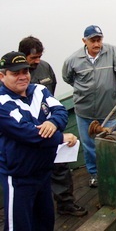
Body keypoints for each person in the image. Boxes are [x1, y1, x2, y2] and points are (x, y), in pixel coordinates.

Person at [0, 51, 78, 230]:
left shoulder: (39, 90)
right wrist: (60, 137)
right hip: (19, 178)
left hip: (43, 174)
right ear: (2, 76)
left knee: (45, 222)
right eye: (15, 73)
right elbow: (27, 133)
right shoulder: (3, 103)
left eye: (25, 72)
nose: (22, 77)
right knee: (19, 226)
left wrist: (52, 122)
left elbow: (61, 111)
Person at [62, 25, 116, 188]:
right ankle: (94, 174)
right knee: (89, 146)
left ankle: (115, 172)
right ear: (84, 41)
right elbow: (67, 78)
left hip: (109, 111)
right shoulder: (73, 60)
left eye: (99, 39)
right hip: (84, 112)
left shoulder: (113, 52)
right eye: (93, 40)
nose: (97, 44)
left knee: (114, 142)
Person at [18, 36, 87, 217]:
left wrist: (53, 122)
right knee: (32, 173)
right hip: (28, 134)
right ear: (23, 55)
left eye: (39, 56)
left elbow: (52, 93)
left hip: (51, 126)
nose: (37, 61)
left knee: (60, 167)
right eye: (33, 58)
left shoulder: (45, 67)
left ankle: (66, 203)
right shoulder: (15, 76)